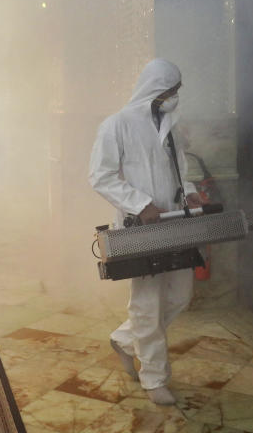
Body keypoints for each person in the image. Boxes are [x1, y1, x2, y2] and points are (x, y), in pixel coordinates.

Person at [88, 58, 203, 406]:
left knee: (180, 296)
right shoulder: (116, 125)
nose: (175, 97)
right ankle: (154, 379)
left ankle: (124, 340)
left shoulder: (170, 125)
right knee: (147, 304)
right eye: (172, 90)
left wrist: (192, 189)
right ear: (155, 89)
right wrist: (140, 204)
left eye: (177, 90)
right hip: (142, 228)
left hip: (176, 222)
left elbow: (180, 169)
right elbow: (100, 175)